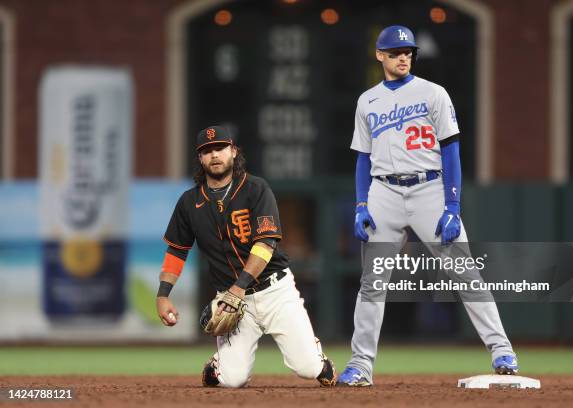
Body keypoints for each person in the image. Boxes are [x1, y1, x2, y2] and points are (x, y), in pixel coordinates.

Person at [338, 25, 518, 387]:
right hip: (383, 191)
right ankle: (360, 365)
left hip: (429, 188)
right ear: (380, 55)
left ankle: (502, 350)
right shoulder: (367, 100)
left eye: (408, 52)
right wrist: (361, 203)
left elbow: (451, 148)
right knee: (372, 284)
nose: (403, 57)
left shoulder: (433, 93)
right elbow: (362, 157)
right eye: (395, 52)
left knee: (465, 272)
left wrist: (452, 205)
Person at [155, 125, 337, 388]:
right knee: (232, 380)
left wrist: (239, 288)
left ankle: (319, 360)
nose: (214, 155)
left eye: (220, 148)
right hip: (231, 298)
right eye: (206, 151)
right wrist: (163, 295)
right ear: (200, 159)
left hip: (275, 291)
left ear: (233, 151)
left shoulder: (255, 189)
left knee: (308, 369)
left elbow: (265, 244)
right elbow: (177, 250)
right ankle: (219, 364)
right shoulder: (188, 202)